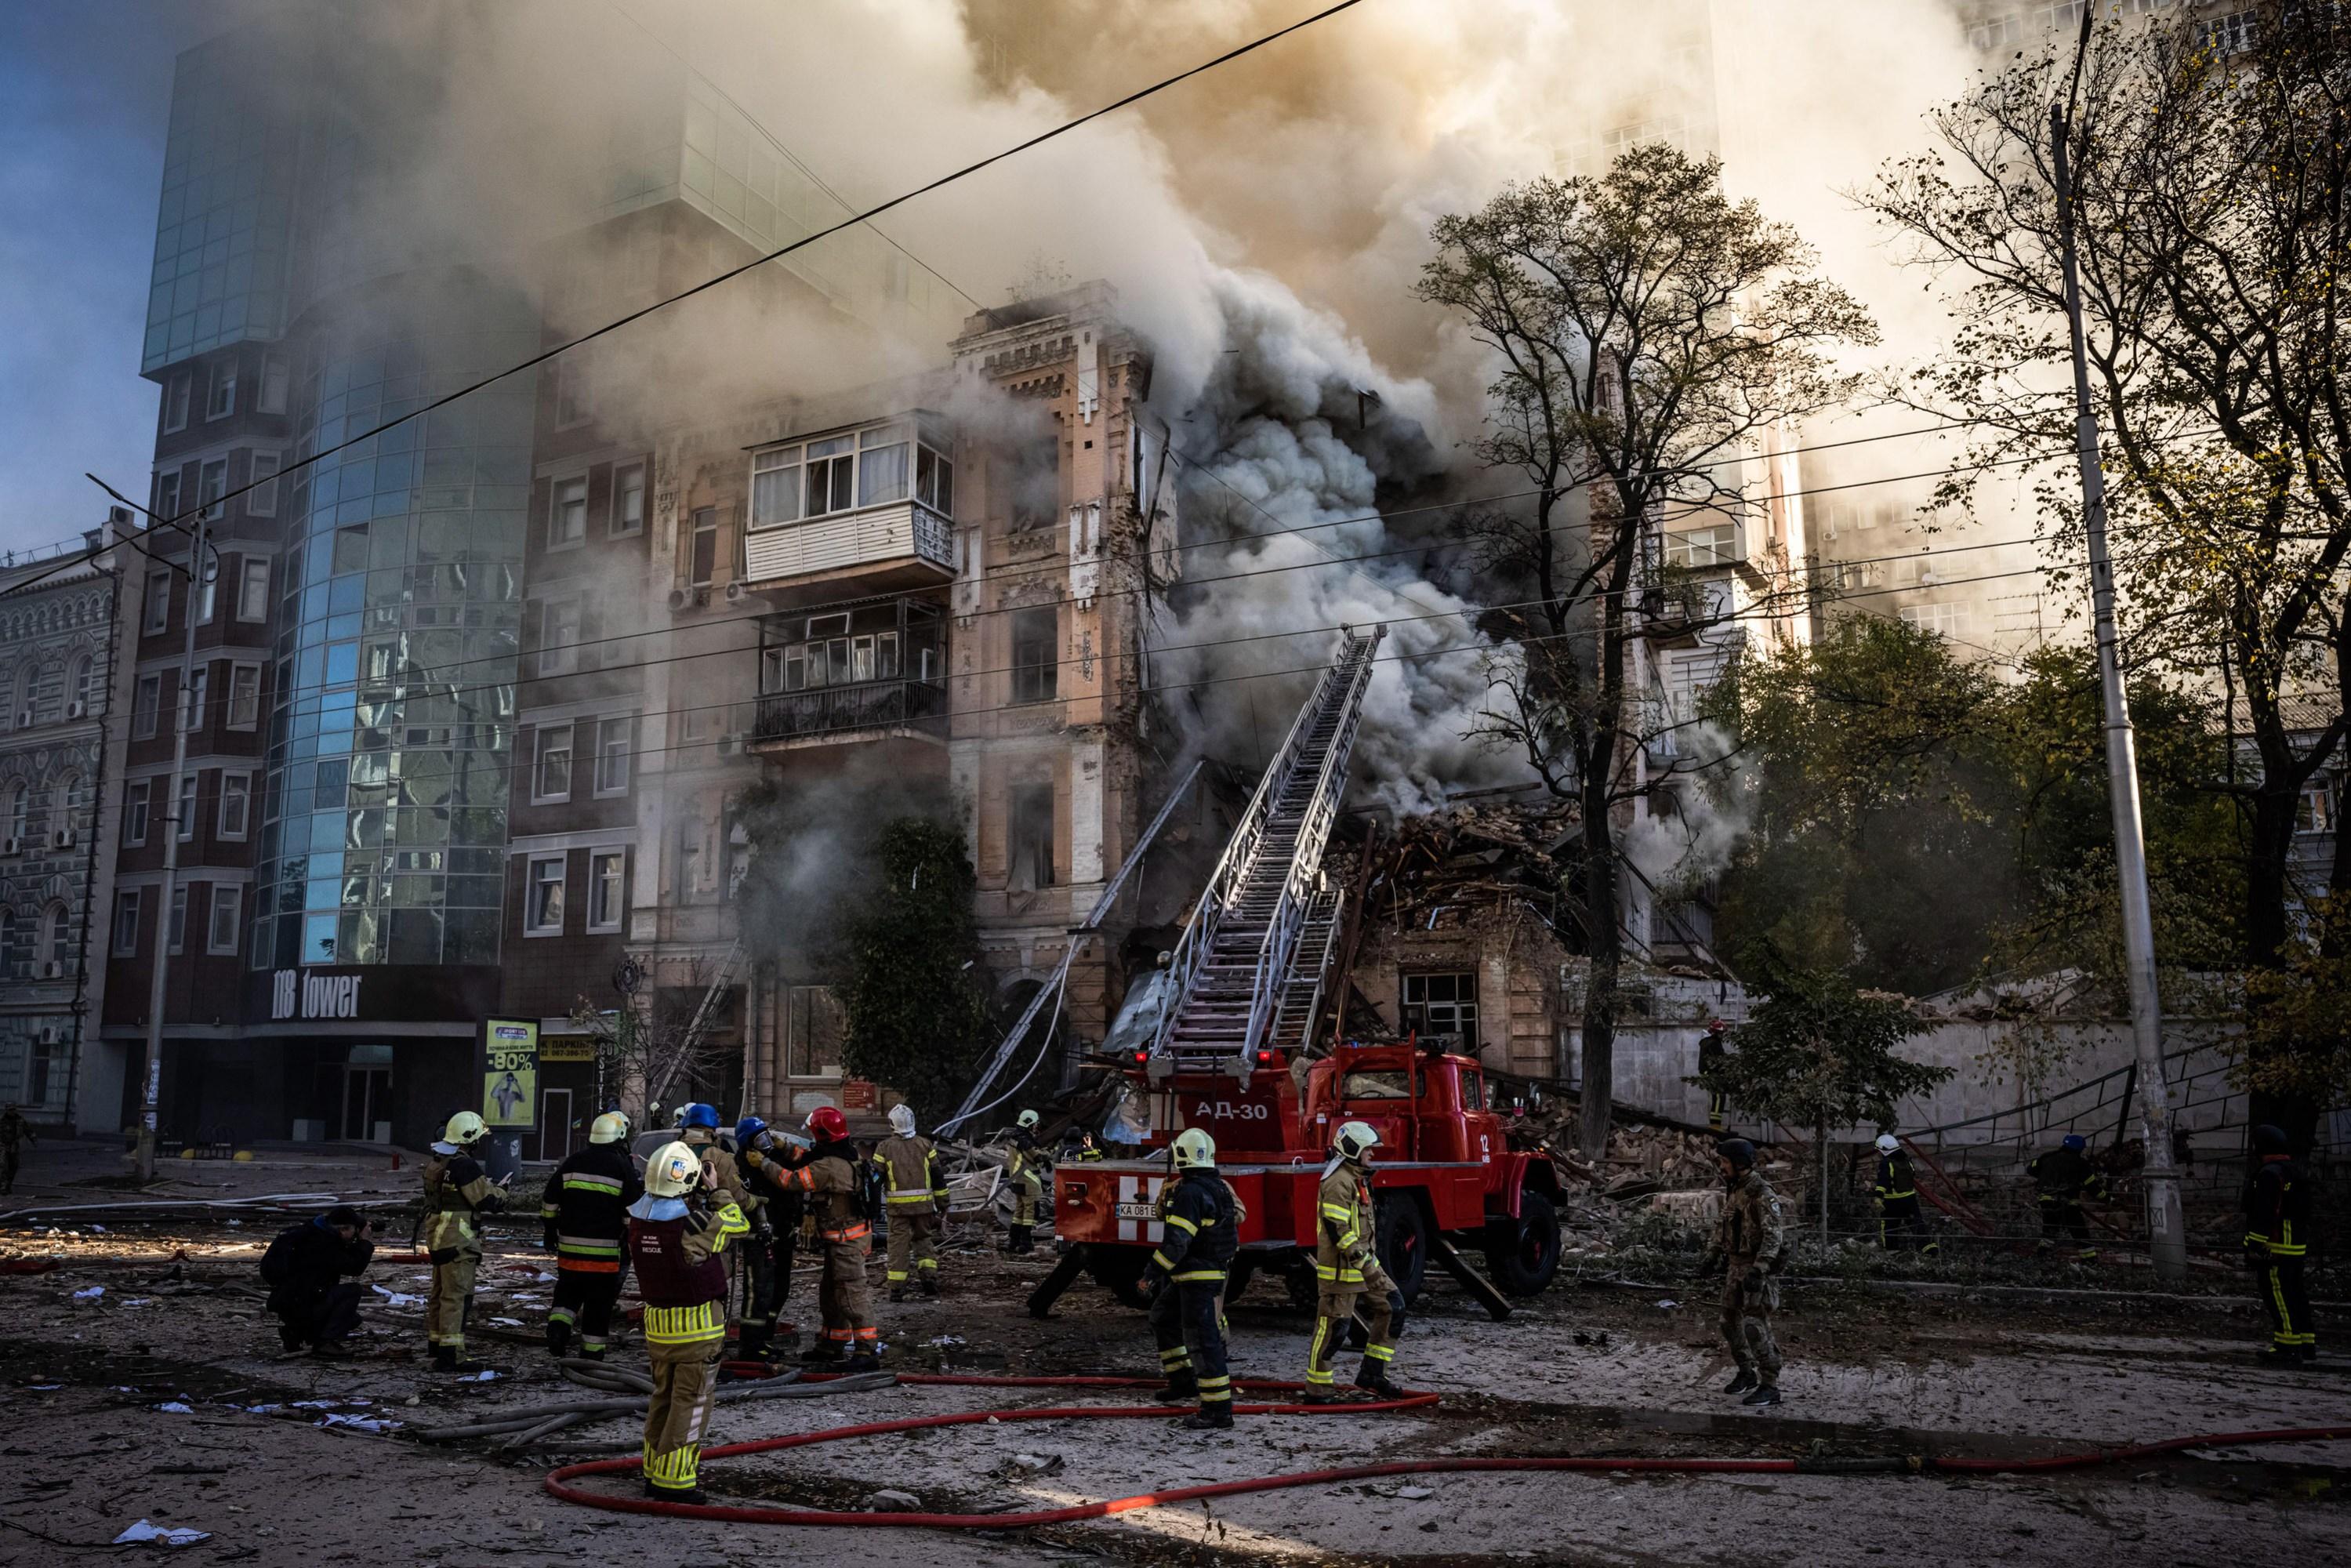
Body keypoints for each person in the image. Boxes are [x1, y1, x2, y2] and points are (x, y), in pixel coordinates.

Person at [627, 1140, 749, 1503]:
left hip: (658, 1327)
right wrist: (717, 1191)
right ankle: (675, 1482)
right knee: (692, 1403)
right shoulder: (696, 1223)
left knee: (662, 1398)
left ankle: (654, 1472)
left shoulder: (638, 1220)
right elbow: (738, 1224)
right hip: (696, 1328)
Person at [1304, 1120, 1406, 1404]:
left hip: (1363, 1268)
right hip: (1342, 1272)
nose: (1373, 1154)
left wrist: (1369, 1266)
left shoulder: (1357, 1177)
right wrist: (1366, 1265)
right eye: (1369, 1149)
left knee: (1393, 1307)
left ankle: (1373, 1374)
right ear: (1353, 1149)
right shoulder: (1338, 1182)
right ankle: (1318, 1389)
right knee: (1334, 1330)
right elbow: (1339, 1230)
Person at [1148, 1127, 1243, 1429]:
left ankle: (1217, 1410)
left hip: (1198, 1274)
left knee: (1203, 1339)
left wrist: (1151, 1273)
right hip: (1195, 1272)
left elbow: (1177, 1241)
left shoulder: (1192, 1192)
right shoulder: (1212, 1186)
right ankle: (1183, 1381)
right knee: (1163, 1317)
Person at [774, 1105, 880, 1370]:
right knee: (832, 1294)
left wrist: (764, 1163)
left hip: (846, 1241)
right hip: (845, 1239)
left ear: (822, 1133)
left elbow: (791, 1180)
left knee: (851, 1294)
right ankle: (831, 1346)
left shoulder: (830, 1167)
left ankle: (867, 1352)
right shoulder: (843, 1152)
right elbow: (809, 1157)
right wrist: (783, 1147)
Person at [539, 1112, 643, 1360]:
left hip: (569, 1249)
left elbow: (549, 1200)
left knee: (567, 1293)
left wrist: (550, 1231)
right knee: (599, 1303)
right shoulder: (622, 1168)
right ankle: (592, 1355)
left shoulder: (573, 1162)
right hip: (604, 1253)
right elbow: (632, 1214)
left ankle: (558, 1331)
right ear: (619, 1137)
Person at [1700, 1138, 1787, 1407]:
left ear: (1739, 1164)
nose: (1721, 1166)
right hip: (1735, 1266)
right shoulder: (1735, 1190)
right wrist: (1711, 1256)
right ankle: (1746, 1373)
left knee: (1754, 1326)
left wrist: (1760, 1270)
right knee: (1728, 1322)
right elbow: (1723, 1225)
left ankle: (1770, 1385)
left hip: (1754, 1270)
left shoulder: (1762, 1193)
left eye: (1724, 1161)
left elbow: (1774, 1235)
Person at [421, 1109, 508, 1373]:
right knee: (456, 1298)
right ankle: (452, 1357)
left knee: (440, 1294)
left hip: (438, 1237)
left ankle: (437, 1346)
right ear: (469, 1138)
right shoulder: (465, 1165)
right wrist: (503, 1191)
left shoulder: (438, 1163)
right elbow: (485, 1200)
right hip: (459, 1241)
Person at [260, 1205, 379, 1356]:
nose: (355, 1234)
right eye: (354, 1230)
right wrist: (366, 1243)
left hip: (292, 1303)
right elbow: (355, 1268)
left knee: (353, 1319)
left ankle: (295, 1333)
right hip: (302, 1305)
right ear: (343, 1229)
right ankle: (325, 1343)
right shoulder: (321, 1245)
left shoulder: (315, 1233)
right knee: (352, 1291)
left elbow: (341, 1257)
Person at [2243, 1123, 2315, 1363]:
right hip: (2296, 1245)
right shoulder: (2294, 1171)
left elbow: (2265, 1212)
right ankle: (2306, 1343)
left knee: (2278, 1294)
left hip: (2276, 1246)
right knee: (2295, 1292)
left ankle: (2287, 1345)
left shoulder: (2270, 1174)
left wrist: (2254, 1245)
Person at [736, 1119, 804, 1351]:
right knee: (759, 1291)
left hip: (783, 1235)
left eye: (768, 1136)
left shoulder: (775, 1159)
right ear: (748, 1143)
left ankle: (766, 1333)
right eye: (760, 1139)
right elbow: (747, 1198)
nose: (766, 1143)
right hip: (760, 1237)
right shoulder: (743, 1166)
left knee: (780, 1289)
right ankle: (751, 1344)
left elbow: (795, 1184)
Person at [874, 1103, 949, 1301]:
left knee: (898, 1246)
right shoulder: (926, 1145)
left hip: (898, 1210)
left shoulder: (884, 1147)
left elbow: (875, 1180)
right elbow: (938, 1176)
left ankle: (897, 1288)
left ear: (892, 1124)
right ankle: (929, 1281)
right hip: (924, 1207)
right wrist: (943, 1202)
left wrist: (870, 1207)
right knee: (923, 1241)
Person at [2029, 1133, 2108, 1261]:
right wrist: (2108, 1199)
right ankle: (2090, 1261)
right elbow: (2093, 1188)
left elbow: (2031, 1169)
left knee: (2049, 1229)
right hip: (2068, 1203)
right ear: (2080, 1149)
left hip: (2046, 1201)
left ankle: (2041, 1256)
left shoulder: (2046, 1157)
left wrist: (2046, 1175)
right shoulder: (2081, 1164)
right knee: (2079, 1231)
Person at [1870, 1133, 1936, 1255]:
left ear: (1884, 1150)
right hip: (1910, 1199)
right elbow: (1912, 1176)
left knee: (1889, 1227)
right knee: (1917, 1222)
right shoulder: (1907, 1161)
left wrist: (1878, 1197)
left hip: (1892, 1202)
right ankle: (1928, 1247)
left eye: (1879, 1151)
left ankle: (1892, 1252)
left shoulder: (1886, 1164)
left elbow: (1883, 1182)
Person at [1002, 1109, 1047, 1254]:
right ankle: (1026, 1243)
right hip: (1028, 1179)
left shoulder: (1015, 1137)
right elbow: (1037, 1157)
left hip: (1017, 1179)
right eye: (1035, 1123)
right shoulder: (1025, 1141)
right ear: (1029, 1123)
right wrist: (1049, 1153)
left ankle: (1013, 1241)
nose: (1036, 1126)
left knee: (1019, 1211)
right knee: (1031, 1211)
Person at [0, 1101, 34, 1194]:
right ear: (6, 1110)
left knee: (14, 1166)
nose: (12, 1111)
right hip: (3, 1145)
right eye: (10, 1110)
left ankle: (8, 1184)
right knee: (2, 1165)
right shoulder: (2, 1121)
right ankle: (3, 1186)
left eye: (14, 1109)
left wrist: (33, 1139)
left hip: (14, 1146)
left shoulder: (20, 1120)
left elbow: (28, 1129)